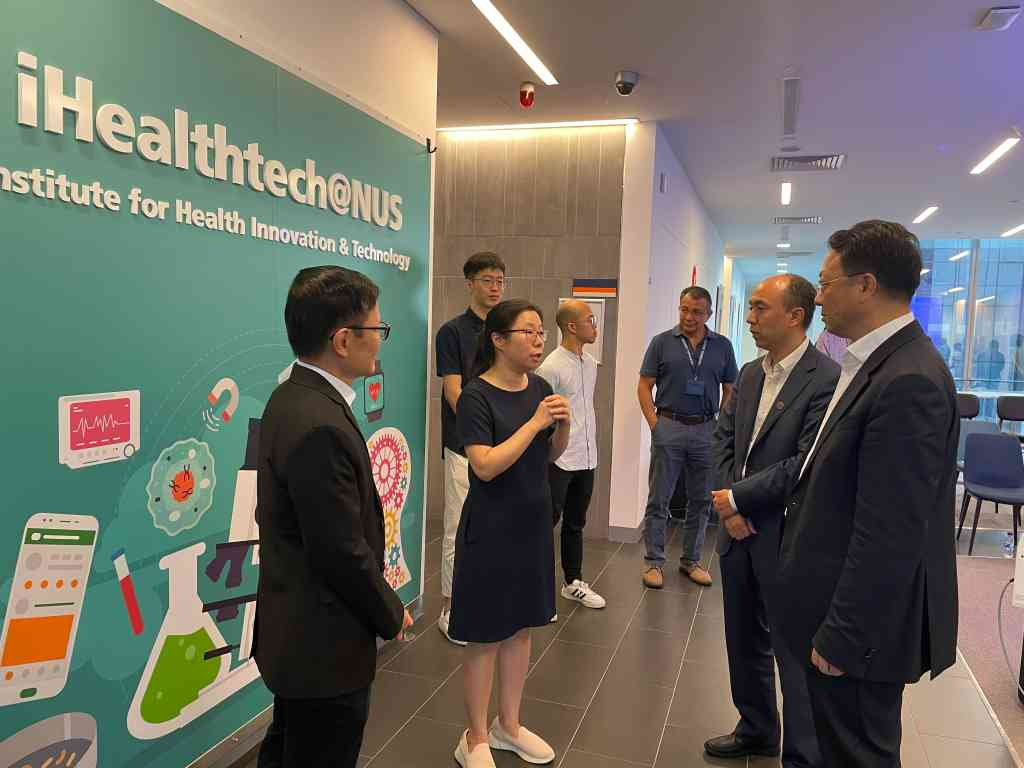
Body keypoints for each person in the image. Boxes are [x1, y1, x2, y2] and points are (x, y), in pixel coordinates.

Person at [779, 220, 959, 766]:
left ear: (865, 285)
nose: (818, 297)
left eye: (825, 283)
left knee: (857, 755)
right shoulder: (875, 363)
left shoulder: (909, 379)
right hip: (832, 609)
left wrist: (843, 637)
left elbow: (890, 532)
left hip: (857, 634)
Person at [254, 266, 413, 768]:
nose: (381, 341)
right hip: (321, 647)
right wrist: (390, 610)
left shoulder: (293, 395)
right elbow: (339, 549)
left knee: (288, 747)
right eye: (377, 329)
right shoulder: (319, 422)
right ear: (343, 340)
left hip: (298, 635)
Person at [705, 275, 839, 767]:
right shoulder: (748, 373)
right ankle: (757, 728)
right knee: (742, 640)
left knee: (791, 649)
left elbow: (803, 462)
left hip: (785, 535)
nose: (750, 317)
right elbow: (723, 441)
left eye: (761, 308)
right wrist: (729, 506)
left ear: (795, 316)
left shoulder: (827, 379)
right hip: (737, 532)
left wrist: (737, 500)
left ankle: (802, 755)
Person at [449, 299, 570, 768]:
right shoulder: (476, 396)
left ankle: (509, 725)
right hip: (491, 527)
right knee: (486, 634)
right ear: (498, 340)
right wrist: (536, 422)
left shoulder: (540, 387)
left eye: (541, 333)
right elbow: (484, 465)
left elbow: (550, 455)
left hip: (533, 524)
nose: (539, 341)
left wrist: (561, 427)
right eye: (529, 332)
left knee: (521, 628)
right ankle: (474, 736)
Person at [638, 286, 738, 589]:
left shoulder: (722, 346)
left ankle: (691, 561)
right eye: (684, 309)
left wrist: (720, 425)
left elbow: (730, 389)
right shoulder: (662, 342)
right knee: (659, 498)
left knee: (701, 500)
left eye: (696, 312)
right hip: (669, 425)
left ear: (709, 314)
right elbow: (644, 386)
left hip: (706, 430)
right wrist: (655, 425)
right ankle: (654, 562)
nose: (689, 316)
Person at [435, 252, 506, 645]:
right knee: (458, 526)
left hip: (502, 446)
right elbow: (453, 391)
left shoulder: (504, 330)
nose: (495, 287)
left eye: (500, 280)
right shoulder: (452, 332)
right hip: (464, 444)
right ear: (470, 283)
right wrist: (483, 426)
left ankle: (483, 599)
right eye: (487, 280)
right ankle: (450, 608)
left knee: (492, 527)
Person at [537, 300, 607, 611]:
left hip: (587, 456)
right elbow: (541, 415)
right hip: (559, 458)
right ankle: (535, 590)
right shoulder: (550, 366)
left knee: (576, 522)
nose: (595, 325)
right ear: (571, 326)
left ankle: (573, 582)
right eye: (590, 320)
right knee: (544, 523)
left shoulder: (590, 364)